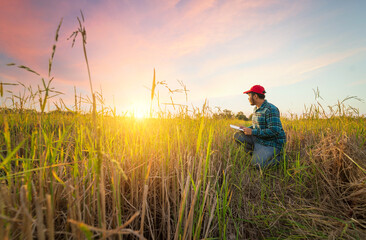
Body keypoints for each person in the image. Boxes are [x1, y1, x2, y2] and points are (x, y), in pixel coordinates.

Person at [234, 85, 286, 168]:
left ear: (255, 96)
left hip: (271, 143)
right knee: (238, 135)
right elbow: (257, 126)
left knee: (256, 165)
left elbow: (274, 131)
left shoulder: (271, 109)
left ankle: (281, 158)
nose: (248, 98)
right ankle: (257, 154)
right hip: (260, 139)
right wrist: (247, 129)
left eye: (249, 95)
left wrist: (252, 132)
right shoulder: (256, 108)